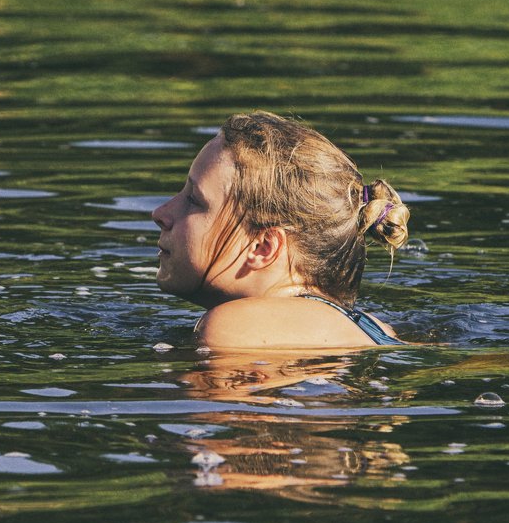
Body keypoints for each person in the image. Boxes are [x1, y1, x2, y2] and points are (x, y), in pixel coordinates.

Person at [152, 111, 410, 349]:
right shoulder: (372, 326)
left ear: (262, 247)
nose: (161, 214)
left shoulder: (234, 328)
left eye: (194, 200)